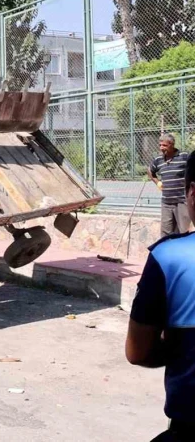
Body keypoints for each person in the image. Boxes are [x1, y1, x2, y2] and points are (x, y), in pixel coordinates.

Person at [127, 150, 195, 441]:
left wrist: (182, 352)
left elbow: (138, 351)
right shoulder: (159, 163)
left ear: (192, 192)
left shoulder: (169, 257)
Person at [148, 134, 191, 237]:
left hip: (182, 201)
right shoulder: (158, 160)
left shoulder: (184, 156)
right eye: (160, 145)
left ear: (172, 145)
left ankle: (181, 252)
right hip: (166, 202)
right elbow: (150, 171)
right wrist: (157, 182)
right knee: (165, 233)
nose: (161, 148)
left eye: (164, 145)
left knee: (183, 232)